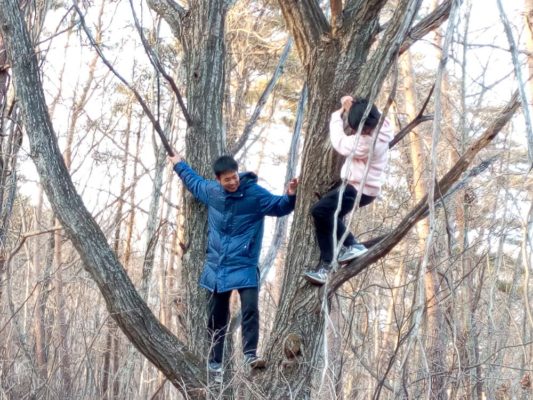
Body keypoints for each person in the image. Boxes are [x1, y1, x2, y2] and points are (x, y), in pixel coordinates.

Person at [169, 152, 298, 377]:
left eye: (234, 177)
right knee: (216, 317)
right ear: (218, 180)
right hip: (218, 267)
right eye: (227, 179)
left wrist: (290, 195)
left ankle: (250, 354)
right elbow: (193, 182)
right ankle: (215, 362)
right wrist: (179, 164)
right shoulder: (212, 192)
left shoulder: (254, 195)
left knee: (250, 308)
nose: (232, 182)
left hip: (245, 263)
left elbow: (279, 207)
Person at [304, 96, 394, 286]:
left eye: (359, 130)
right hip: (365, 189)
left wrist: (337, 115)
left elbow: (339, 142)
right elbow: (369, 113)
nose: (360, 132)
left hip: (357, 189)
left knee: (320, 212)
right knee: (331, 217)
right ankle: (345, 250)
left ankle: (334, 260)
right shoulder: (383, 126)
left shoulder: (365, 144)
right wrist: (353, 107)